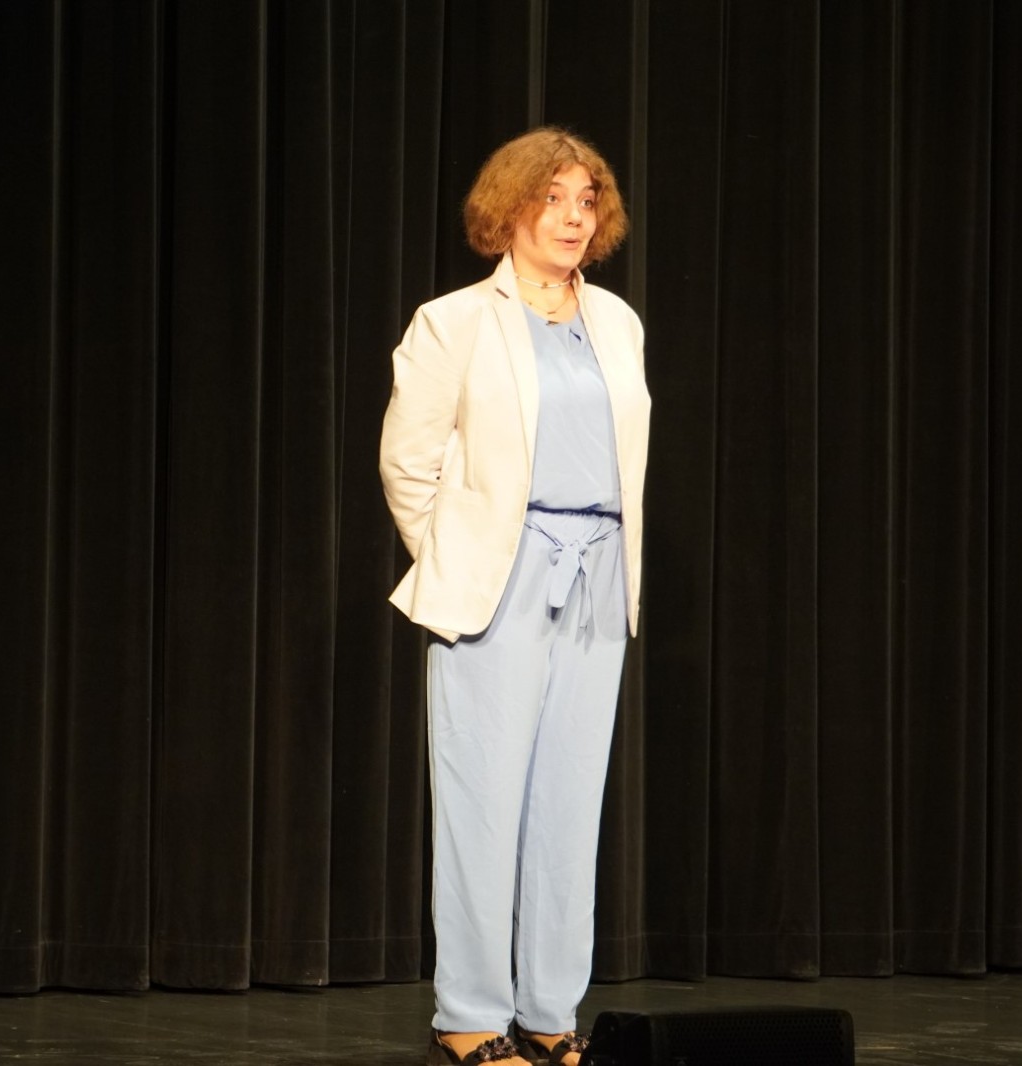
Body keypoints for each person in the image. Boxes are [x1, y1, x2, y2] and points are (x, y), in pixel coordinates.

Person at [379, 127, 650, 1066]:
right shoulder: (453, 322)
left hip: (599, 570)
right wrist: (462, 562)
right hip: (502, 571)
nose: (573, 217)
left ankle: (548, 1012)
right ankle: (467, 1014)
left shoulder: (616, 321)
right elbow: (408, 464)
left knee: (570, 804)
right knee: (483, 803)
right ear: (511, 208)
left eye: (586, 200)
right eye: (553, 199)